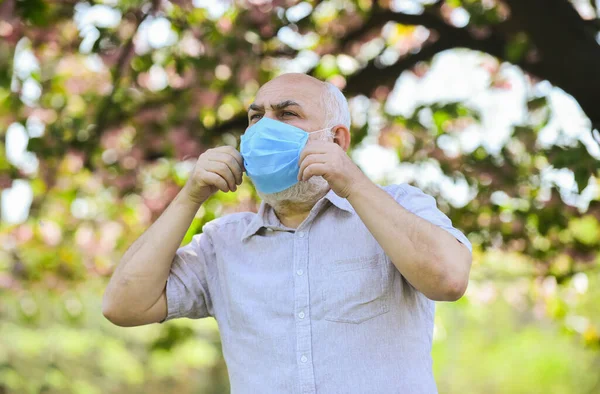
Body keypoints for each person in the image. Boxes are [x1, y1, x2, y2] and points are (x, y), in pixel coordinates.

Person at [102, 73, 472, 394]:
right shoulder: (223, 243)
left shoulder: (399, 207)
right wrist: (190, 196)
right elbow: (123, 305)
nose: (264, 128)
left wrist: (352, 182)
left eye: (287, 114)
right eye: (255, 117)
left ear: (337, 140)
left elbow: (449, 279)